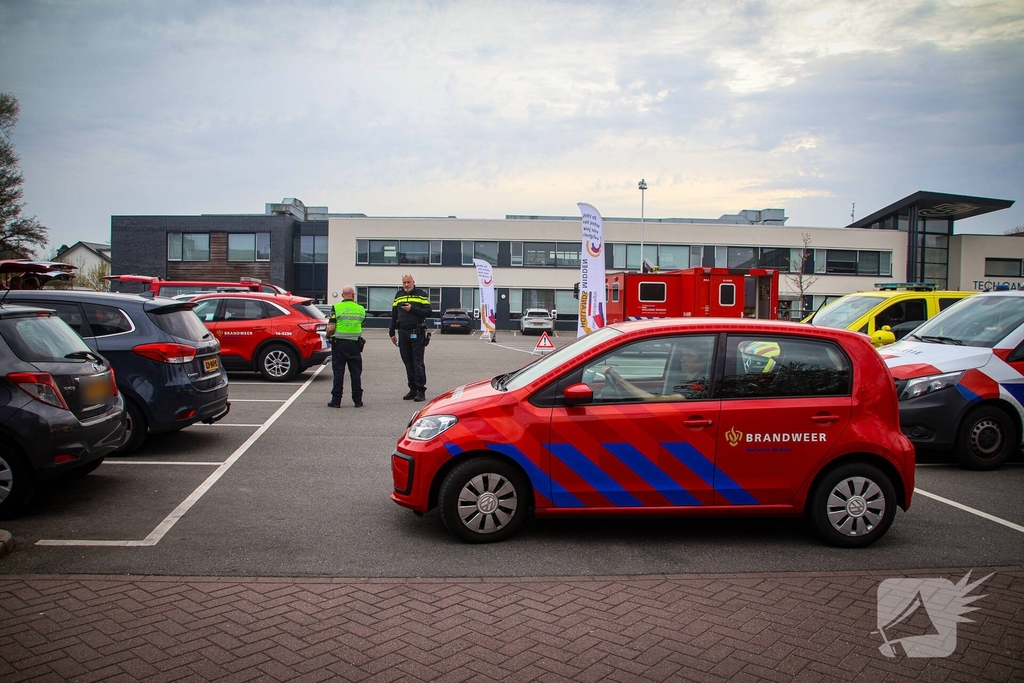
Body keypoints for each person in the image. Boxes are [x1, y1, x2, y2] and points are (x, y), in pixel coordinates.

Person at [601, 345, 708, 401]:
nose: (682, 359)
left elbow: (656, 400)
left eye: (689, 356)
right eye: (683, 355)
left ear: (704, 360)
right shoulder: (689, 379)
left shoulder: (700, 384)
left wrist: (620, 380)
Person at [389, 274, 432, 401]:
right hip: (403, 332)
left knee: (417, 362)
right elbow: (394, 314)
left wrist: (412, 308)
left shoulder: (421, 295)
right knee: (407, 362)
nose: (406, 285)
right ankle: (412, 388)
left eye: (408, 282)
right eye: (404, 283)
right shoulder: (399, 295)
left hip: (416, 331)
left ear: (413, 282)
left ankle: (421, 390)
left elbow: (428, 312)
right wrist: (392, 332)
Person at [326, 285, 366, 408]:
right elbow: (362, 322)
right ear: (353, 295)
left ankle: (336, 401)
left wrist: (327, 336)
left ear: (343, 295)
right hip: (354, 345)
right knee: (355, 373)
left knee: (338, 373)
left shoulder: (336, 307)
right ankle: (357, 400)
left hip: (339, 345)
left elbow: (331, 328)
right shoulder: (360, 309)